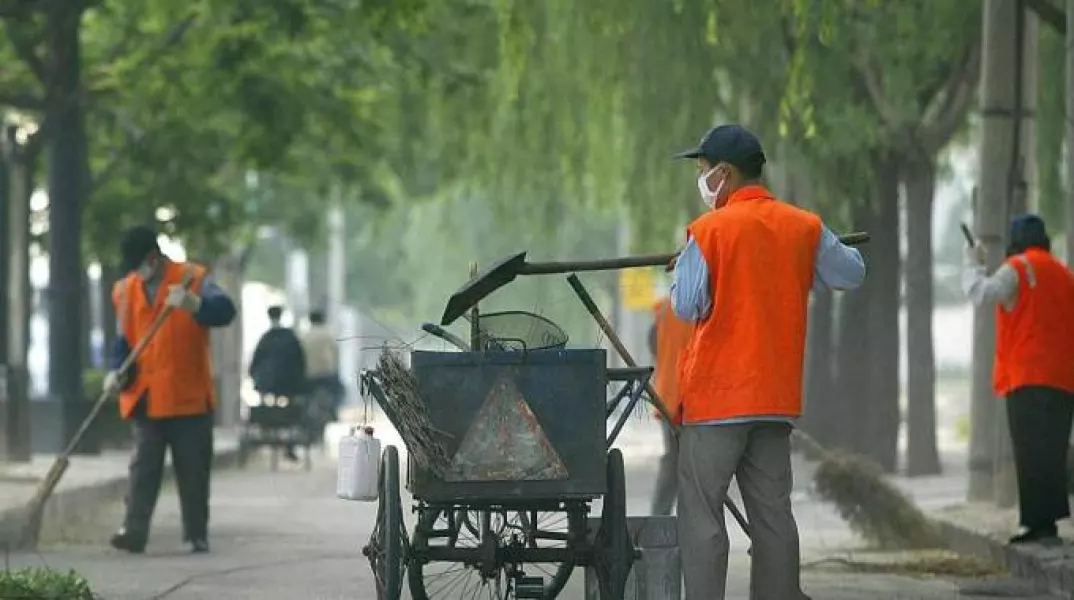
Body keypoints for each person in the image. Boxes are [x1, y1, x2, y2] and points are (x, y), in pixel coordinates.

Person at [669, 124, 866, 600]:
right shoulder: (803, 226)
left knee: (701, 515)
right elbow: (852, 272)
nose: (701, 181)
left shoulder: (709, 231)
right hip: (774, 401)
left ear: (725, 174)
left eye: (702, 171)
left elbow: (686, 306)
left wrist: (682, 268)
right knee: (774, 517)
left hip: (716, 401)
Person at [106, 225, 236, 554]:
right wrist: (116, 370)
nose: (137, 272)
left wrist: (194, 304)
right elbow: (124, 341)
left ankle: (196, 534)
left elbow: (225, 312)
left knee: (193, 472)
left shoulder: (192, 278)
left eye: (140, 264)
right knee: (143, 470)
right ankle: (133, 533)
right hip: (147, 397)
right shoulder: (124, 290)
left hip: (189, 398)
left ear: (153, 257)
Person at [963, 214, 1074, 546]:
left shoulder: (1018, 267)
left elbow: (982, 293)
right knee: (1052, 450)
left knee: (1029, 450)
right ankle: (1047, 524)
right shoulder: (1064, 273)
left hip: (1028, 375)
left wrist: (973, 264)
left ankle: (1038, 524)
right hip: (1064, 377)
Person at [648, 295, 694, 516]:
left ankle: (660, 517)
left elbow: (653, 343)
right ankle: (689, 521)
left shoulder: (666, 307)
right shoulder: (706, 303)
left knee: (674, 460)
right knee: (692, 465)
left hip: (669, 395)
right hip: (692, 396)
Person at [248, 306, 308, 461]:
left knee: (266, 403)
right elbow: (300, 362)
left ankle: (267, 429)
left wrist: (256, 379)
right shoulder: (290, 338)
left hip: (267, 385)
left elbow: (255, 364)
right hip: (290, 384)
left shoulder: (265, 338)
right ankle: (289, 443)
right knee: (291, 407)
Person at [300, 309, 342, 419]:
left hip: (309, 375)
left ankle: (304, 412)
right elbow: (336, 355)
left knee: (305, 396)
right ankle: (334, 410)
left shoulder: (304, 336)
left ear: (310, 320)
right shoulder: (329, 335)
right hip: (327, 374)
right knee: (340, 391)